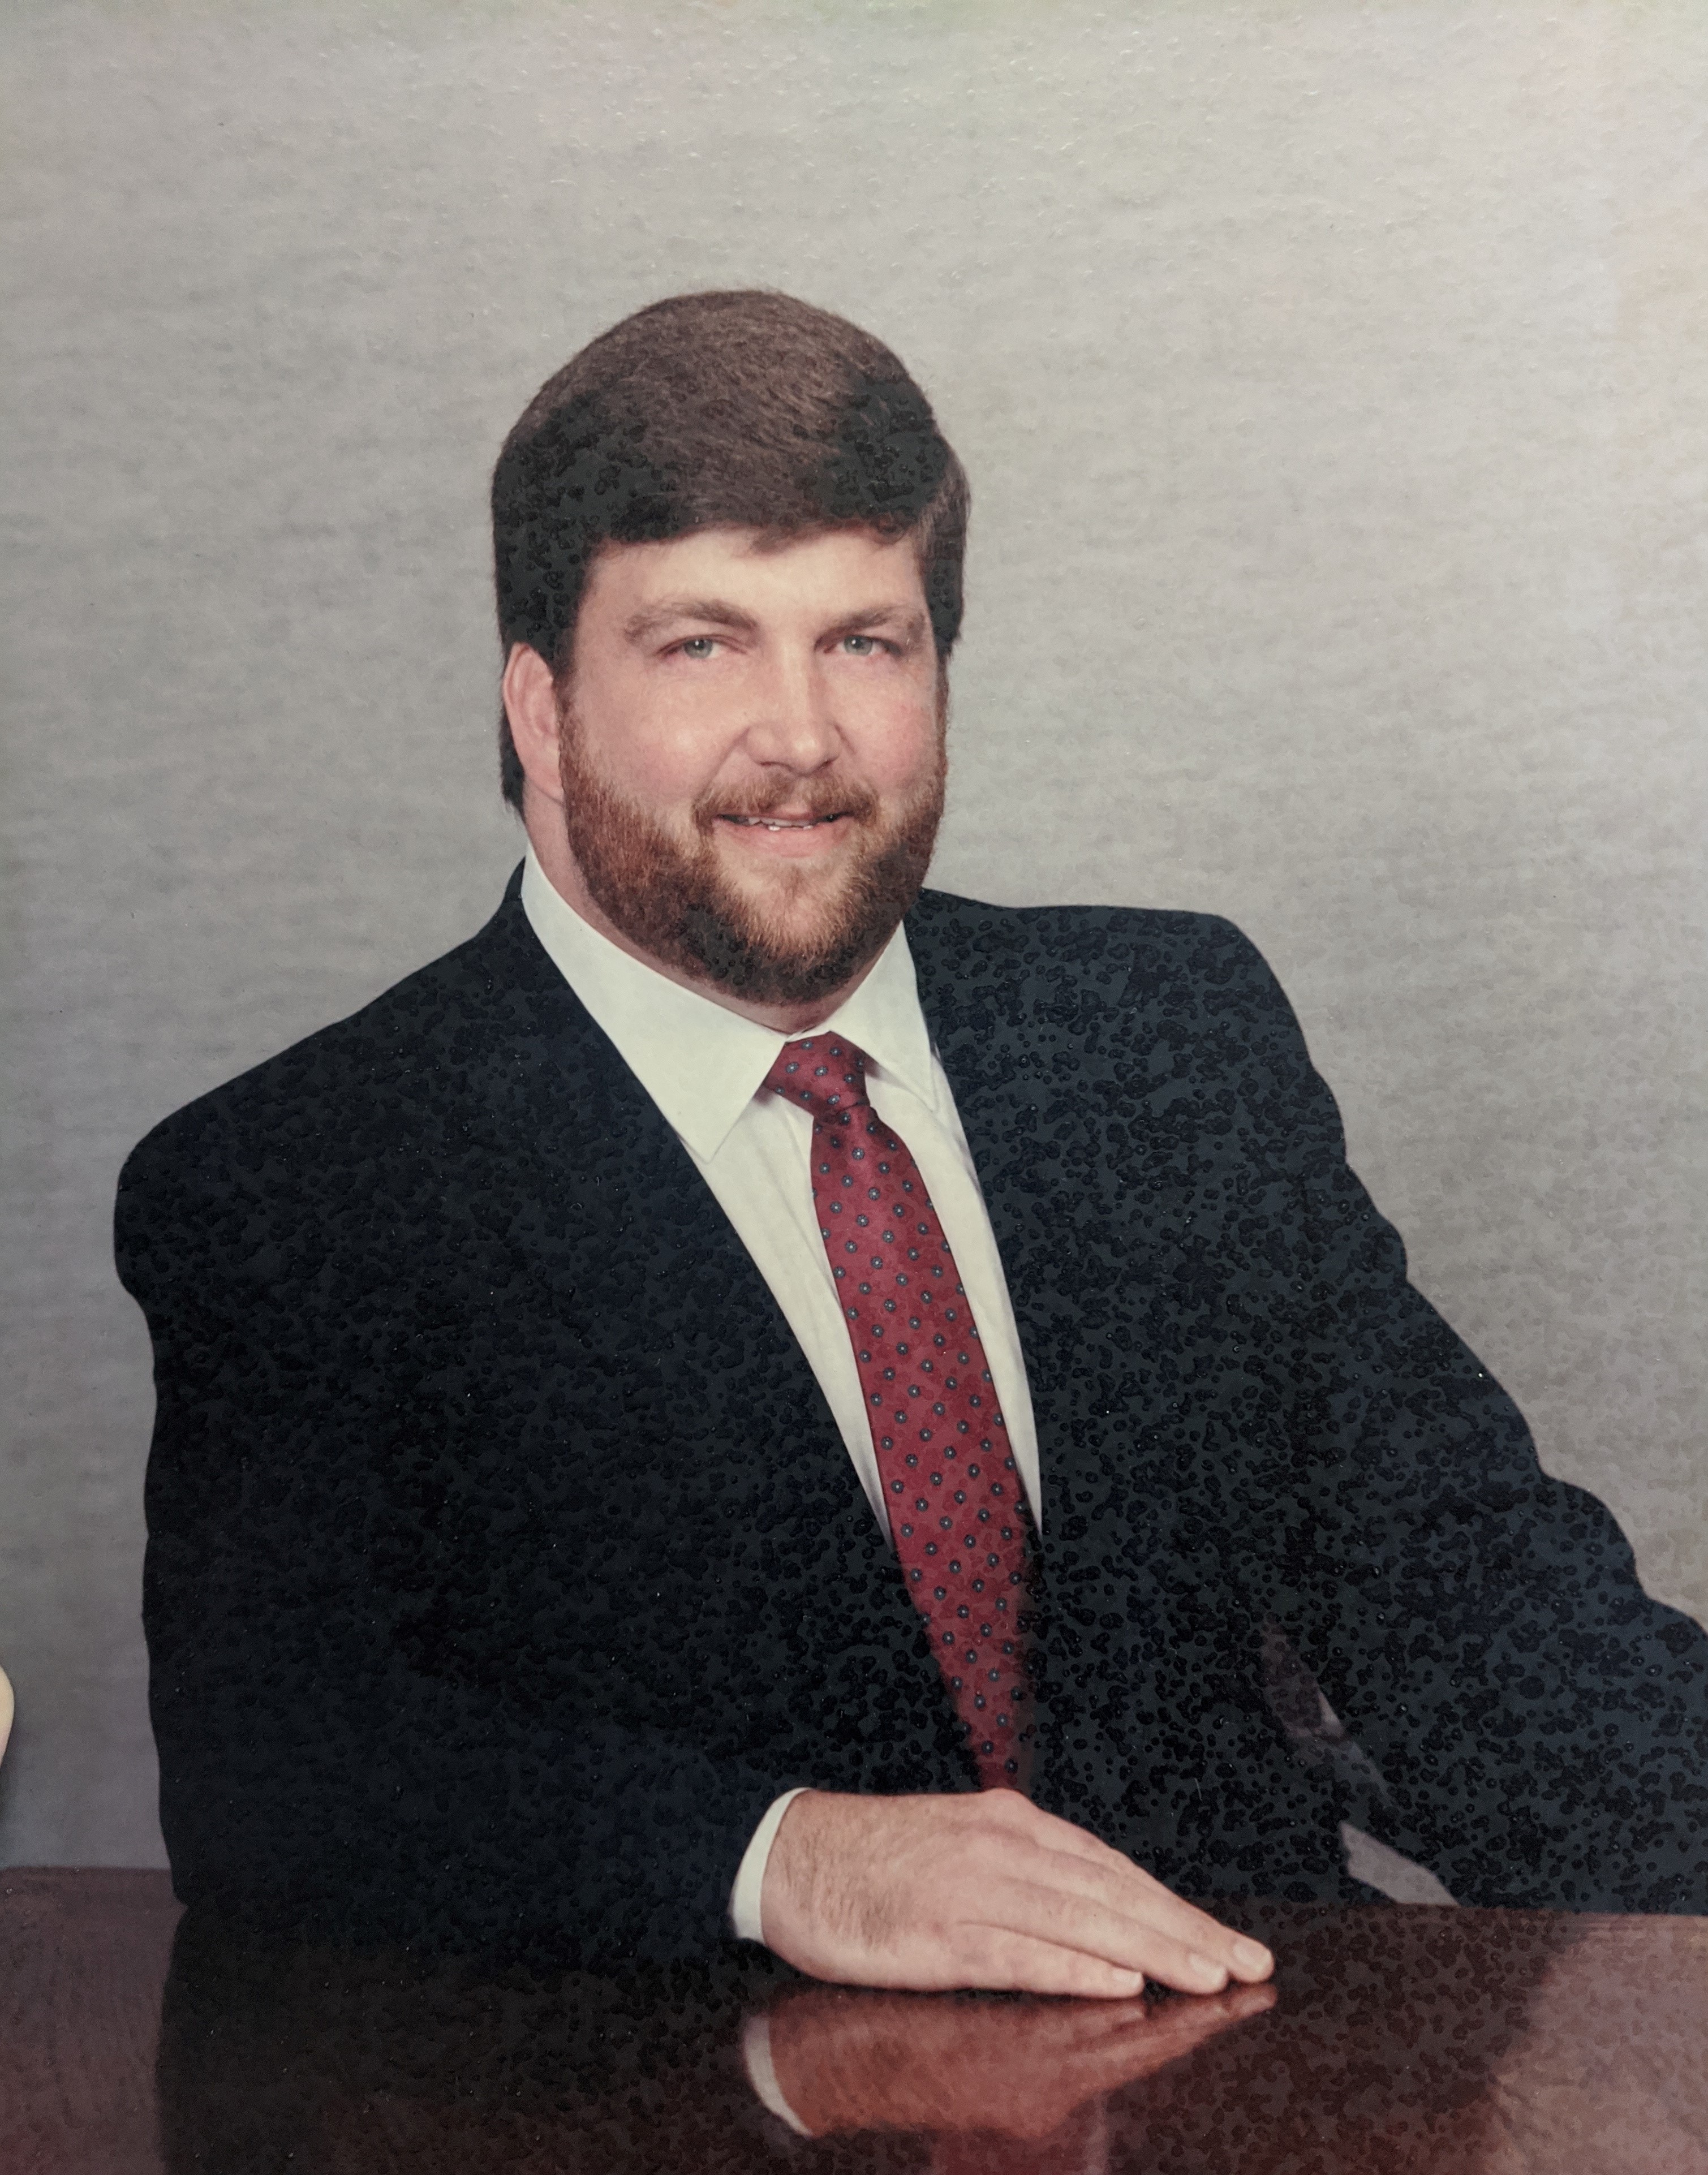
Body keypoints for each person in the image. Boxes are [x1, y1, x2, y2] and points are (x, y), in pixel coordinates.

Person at [117, 290, 1708, 1999]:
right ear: (540, 706)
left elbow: (1476, 1604)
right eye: (702, 646)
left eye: (865, 643)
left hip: (1243, 2051)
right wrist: (778, 1855)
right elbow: (276, 1775)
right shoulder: (304, 1184)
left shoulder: (1162, 1034)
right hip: (695, 2088)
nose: (801, 736)